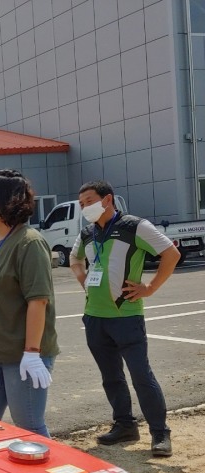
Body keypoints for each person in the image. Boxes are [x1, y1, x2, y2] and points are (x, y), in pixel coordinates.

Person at [70, 180, 178, 457]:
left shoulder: (134, 226)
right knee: (111, 376)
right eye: (81, 204)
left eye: (89, 201)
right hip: (94, 317)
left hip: (126, 316)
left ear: (107, 200)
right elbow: (74, 259)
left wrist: (150, 288)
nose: (85, 207)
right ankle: (125, 425)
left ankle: (160, 433)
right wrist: (85, 282)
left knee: (141, 375)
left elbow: (171, 253)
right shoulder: (87, 232)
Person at [0, 170, 58, 437]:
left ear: (6, 202)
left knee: (29, 425)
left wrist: (32, 353)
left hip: (21, 355)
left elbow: (38, 301)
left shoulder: (29, 243)